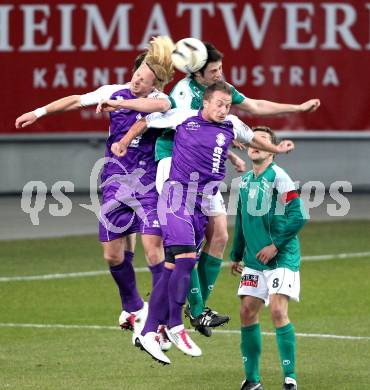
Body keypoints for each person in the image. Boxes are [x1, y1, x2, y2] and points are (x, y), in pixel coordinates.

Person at [116, 41, 320, 338]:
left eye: (220, 68)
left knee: (220, 234)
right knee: (188, 240)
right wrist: (233, 154)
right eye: (214, 70)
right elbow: (190, 132)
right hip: (173, 160)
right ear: (195, 72)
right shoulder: (185, 94)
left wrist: (298, 107)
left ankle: (196, 308)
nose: (220, 73)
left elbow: (254, 106)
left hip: (201, 169)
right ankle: (192, 309)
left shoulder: (218, 91)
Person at [111, 81, 295, 364]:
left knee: (173, 267)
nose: (224, 110)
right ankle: (176, 326)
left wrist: (276, 149)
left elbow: (253, 140)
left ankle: (150, 331)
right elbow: (146, 121)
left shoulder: (232, 124)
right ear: (205, 104)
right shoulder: (184, 116)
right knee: (185, 260)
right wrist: (123, 142)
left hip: (201, 203)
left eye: (227, 105)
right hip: (175, 196)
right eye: (219, 105)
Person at [15, 36, 175, 344]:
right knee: (112, 256)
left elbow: (150, 109)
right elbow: (76, 100)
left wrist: (121, 105)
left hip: (149, 186)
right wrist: (39, 112)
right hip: (116, 182)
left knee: (153, 251)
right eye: (136, 73)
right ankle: (133, 307)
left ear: (157, 82)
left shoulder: (161, 102)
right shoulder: (112, 91)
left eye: (143, 77)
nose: (136, 79)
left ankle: (161, 323)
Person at [230, 126, 308, 390]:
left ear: (272, 151)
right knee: (247, 312)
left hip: (281, 257)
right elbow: (241, 220)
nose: (255, 143)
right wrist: (236, 254)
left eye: (262, 140)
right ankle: (252, 380)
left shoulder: (280, 178)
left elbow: (299, 215)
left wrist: (275, 245)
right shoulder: (244, 183)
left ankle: (290, 379)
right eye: (253, 139)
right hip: (253, 260)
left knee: (277, 310)